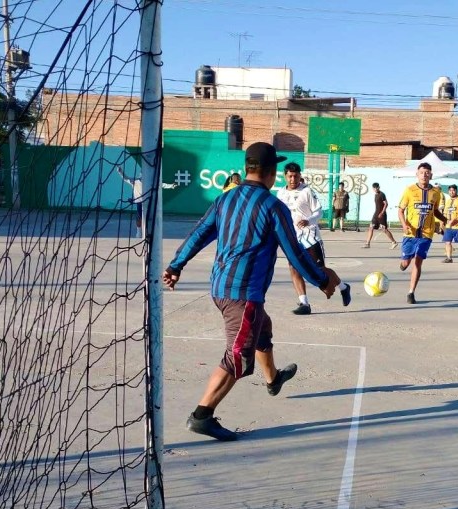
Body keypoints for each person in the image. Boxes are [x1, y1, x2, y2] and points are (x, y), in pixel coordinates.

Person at [163, 142, 342, 441]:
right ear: (272, 172)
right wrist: (323, 280)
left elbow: (200, 231)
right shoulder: (273, 207)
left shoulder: (226, 199)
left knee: (262, 327)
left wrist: (176, 264)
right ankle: (202, 416)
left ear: (248, 168)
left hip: (220, 288)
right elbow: (295, 253)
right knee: (239, 356)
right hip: (242, 294)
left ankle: (273, 379)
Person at [277, 162, 351, 314]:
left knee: (320, 269)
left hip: (310, 237)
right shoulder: (280, 193)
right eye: (290, 176)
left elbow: (319, 212)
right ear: (285, 176)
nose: (293, 179)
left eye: (296, 176)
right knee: (294, 269)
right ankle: (304, 303)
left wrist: (309, 220)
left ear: (300, 176)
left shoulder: (307, 192)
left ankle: (344, 287)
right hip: (292, 238)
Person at [396, 161, 446, 304]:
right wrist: (404, 224)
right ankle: (404, 263)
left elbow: (435, 211)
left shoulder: (436, 192)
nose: (424, 175)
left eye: (427, 172)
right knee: (406, 262)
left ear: (431, 175)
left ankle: (411, 293)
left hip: (426, 233)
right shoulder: (409, 190)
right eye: (422, 172)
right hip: (410, 234)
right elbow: (400, 210)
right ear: (417, 174)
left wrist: (445, 220)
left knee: (418, 261)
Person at [362, 182, 398, 249]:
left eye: (377, 187)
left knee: (384, 229)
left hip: (382, 214)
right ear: (373, 188)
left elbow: (386, 204)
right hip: (376, 214)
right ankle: (367, 243)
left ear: (379, 187)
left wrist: (382, 213)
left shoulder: (382, 194)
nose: (375, 189)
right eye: (374, 188)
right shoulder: (375, 195)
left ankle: (394, 242)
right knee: (371, 227)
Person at [117, 164, 145, 237]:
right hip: (139, 203)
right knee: (139, 217)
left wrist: (171, 186)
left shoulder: (150, 182)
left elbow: (161, 184)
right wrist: (120, 172)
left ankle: (146, 232)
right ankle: (139, 232)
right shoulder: (135, 181)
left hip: (148, 202)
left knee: (149, 218)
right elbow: (125, 178)